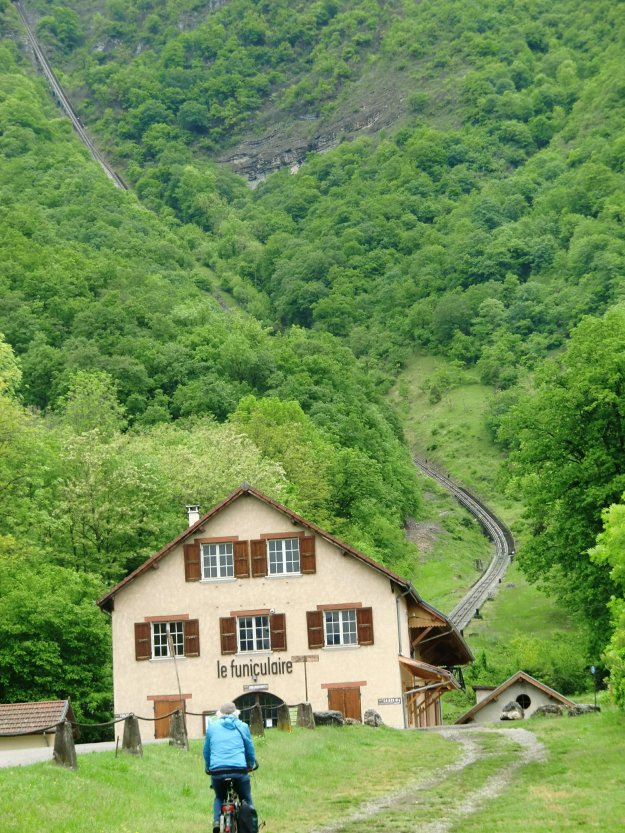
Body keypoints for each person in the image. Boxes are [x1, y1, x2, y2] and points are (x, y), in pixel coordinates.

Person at [203, 702, 258, 833]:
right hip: (239, 770)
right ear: (236, 713)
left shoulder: (212, 728)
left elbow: (206, 751)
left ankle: (217, 822)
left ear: (220, 714)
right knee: (246, 798)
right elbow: (249, 749)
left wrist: (209, 767)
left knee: (219, 797)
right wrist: (250, 764)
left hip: (217, 771)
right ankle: (251, 827)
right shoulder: (243, 726)